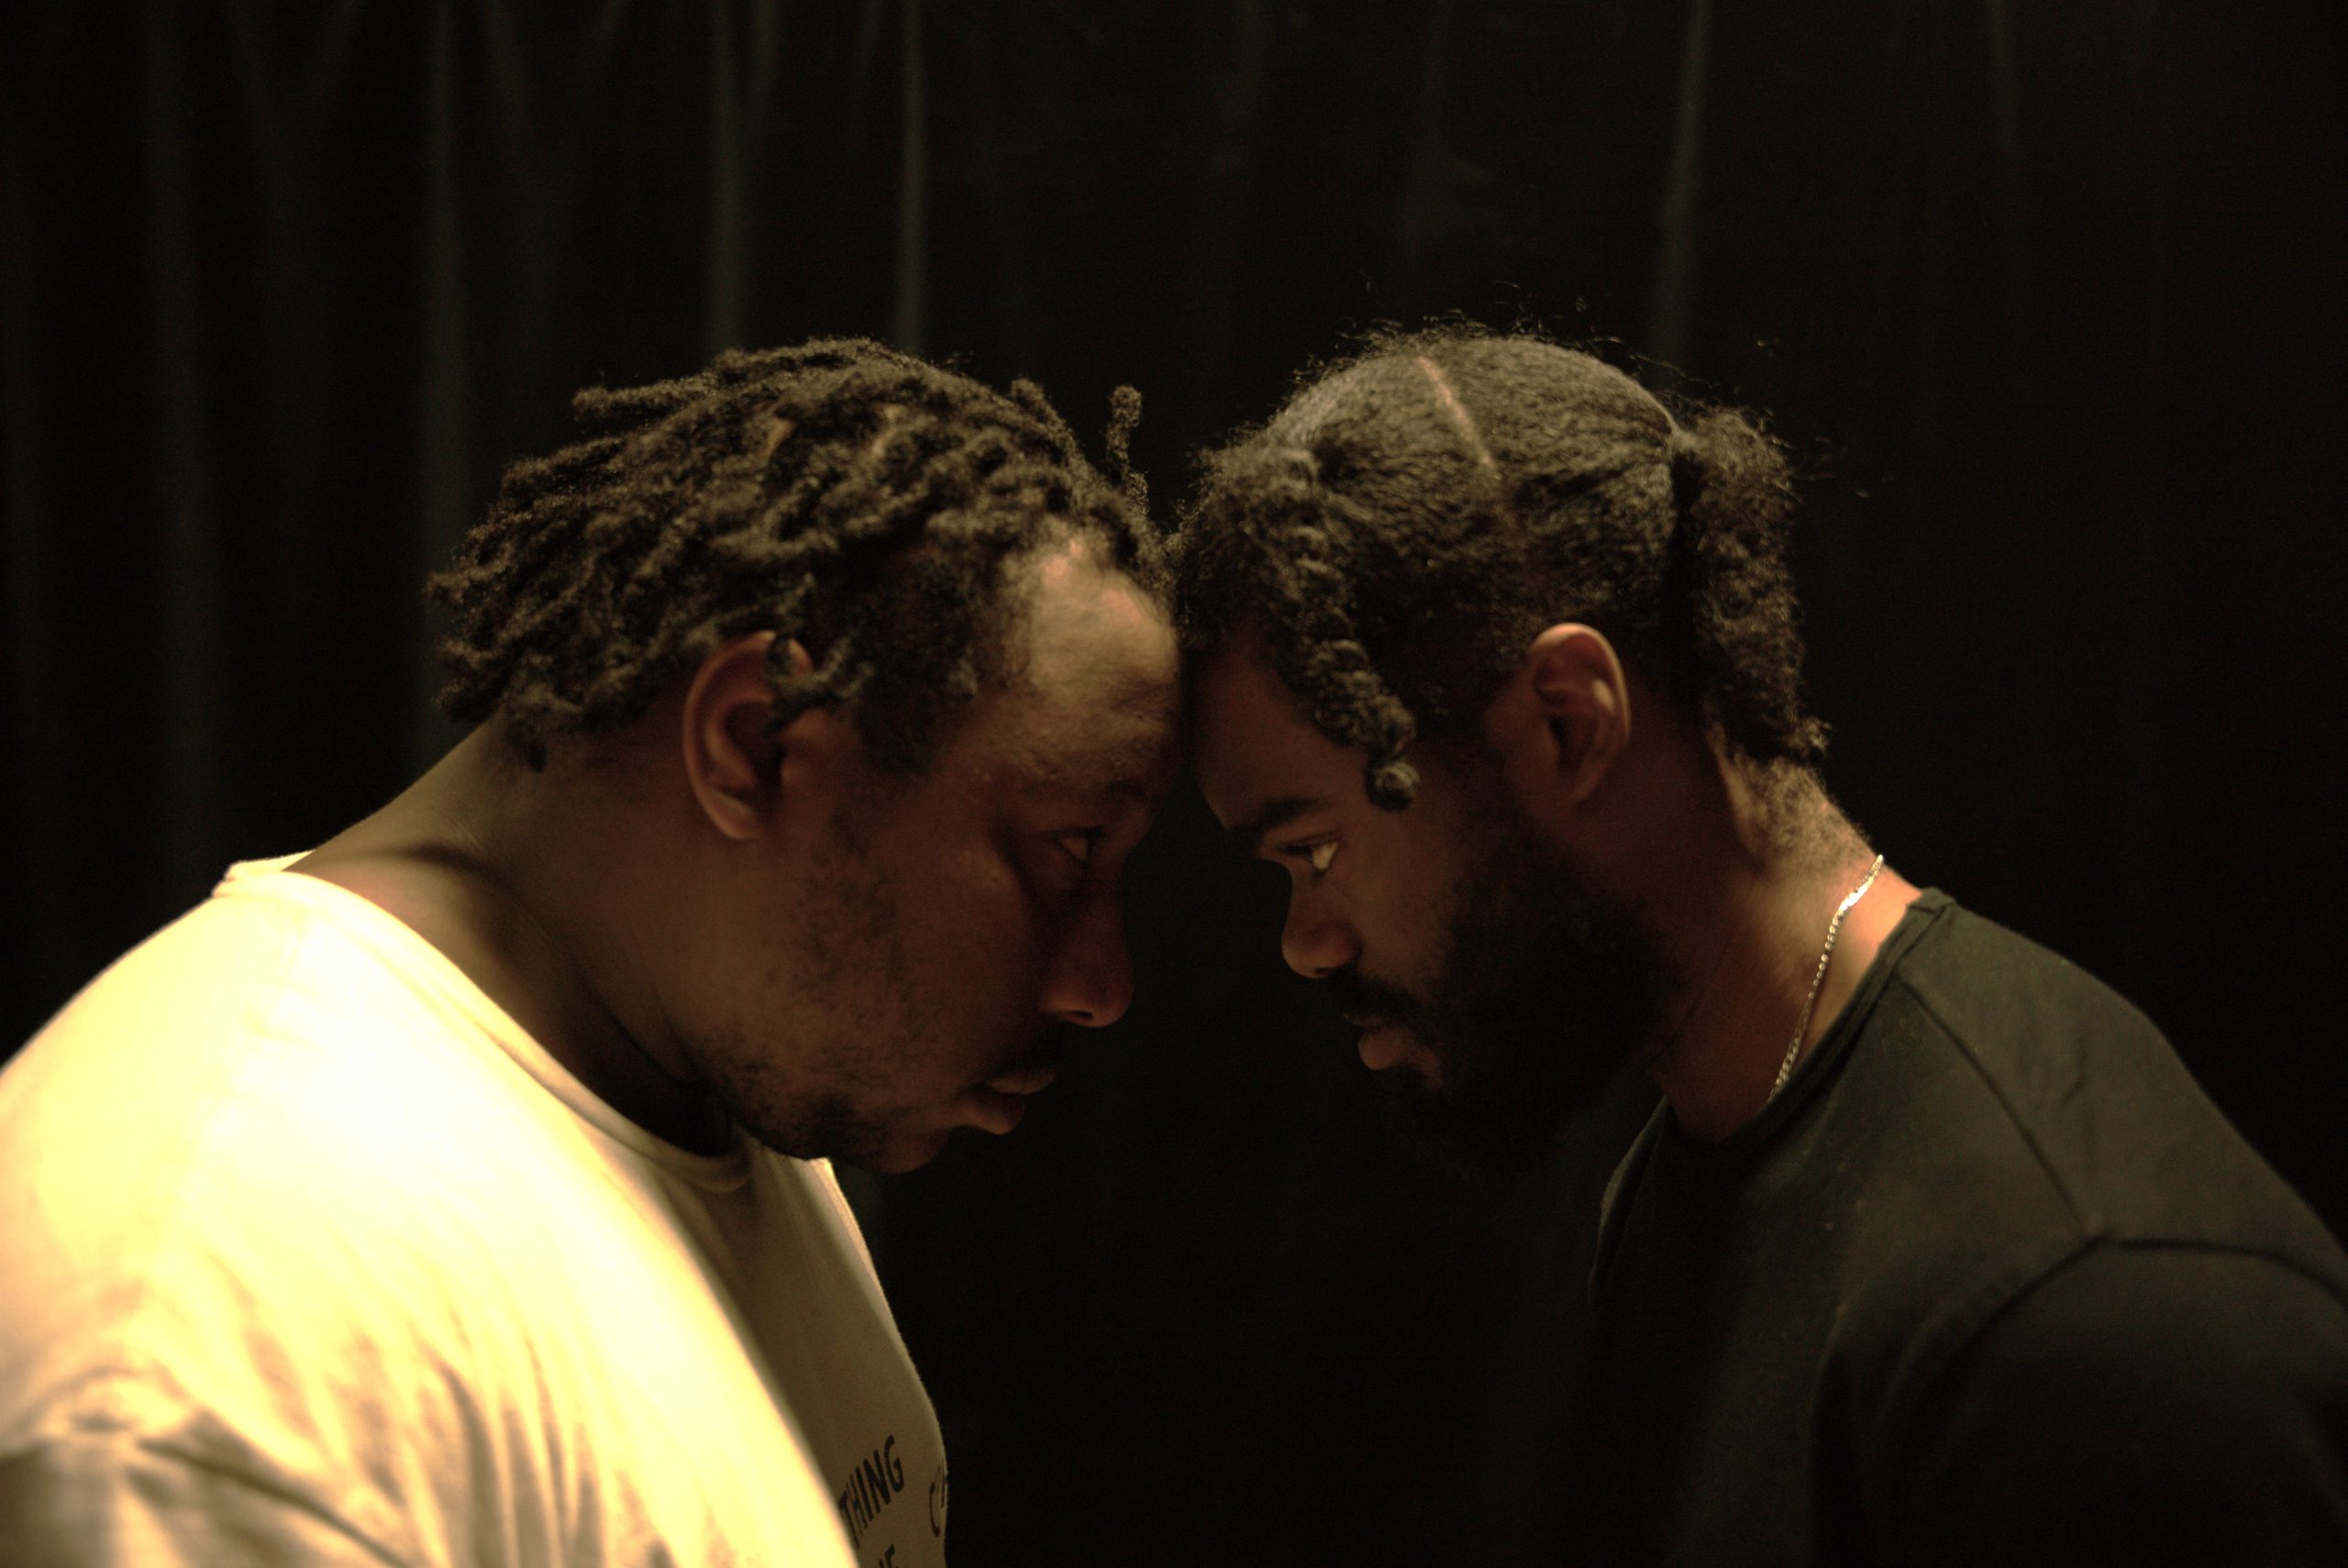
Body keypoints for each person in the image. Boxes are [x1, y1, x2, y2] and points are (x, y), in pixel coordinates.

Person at [0, 337, 1181, 1565]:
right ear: (754, 746)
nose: (1102, 984)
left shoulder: (707, 1074)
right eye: (1068, 852)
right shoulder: (201, 1331)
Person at [1176, 326, 2348, 1562]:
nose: (1305, 945)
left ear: (1568, 722)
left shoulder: (2087, 1309)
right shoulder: (1699, 1162)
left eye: (1314, 849)